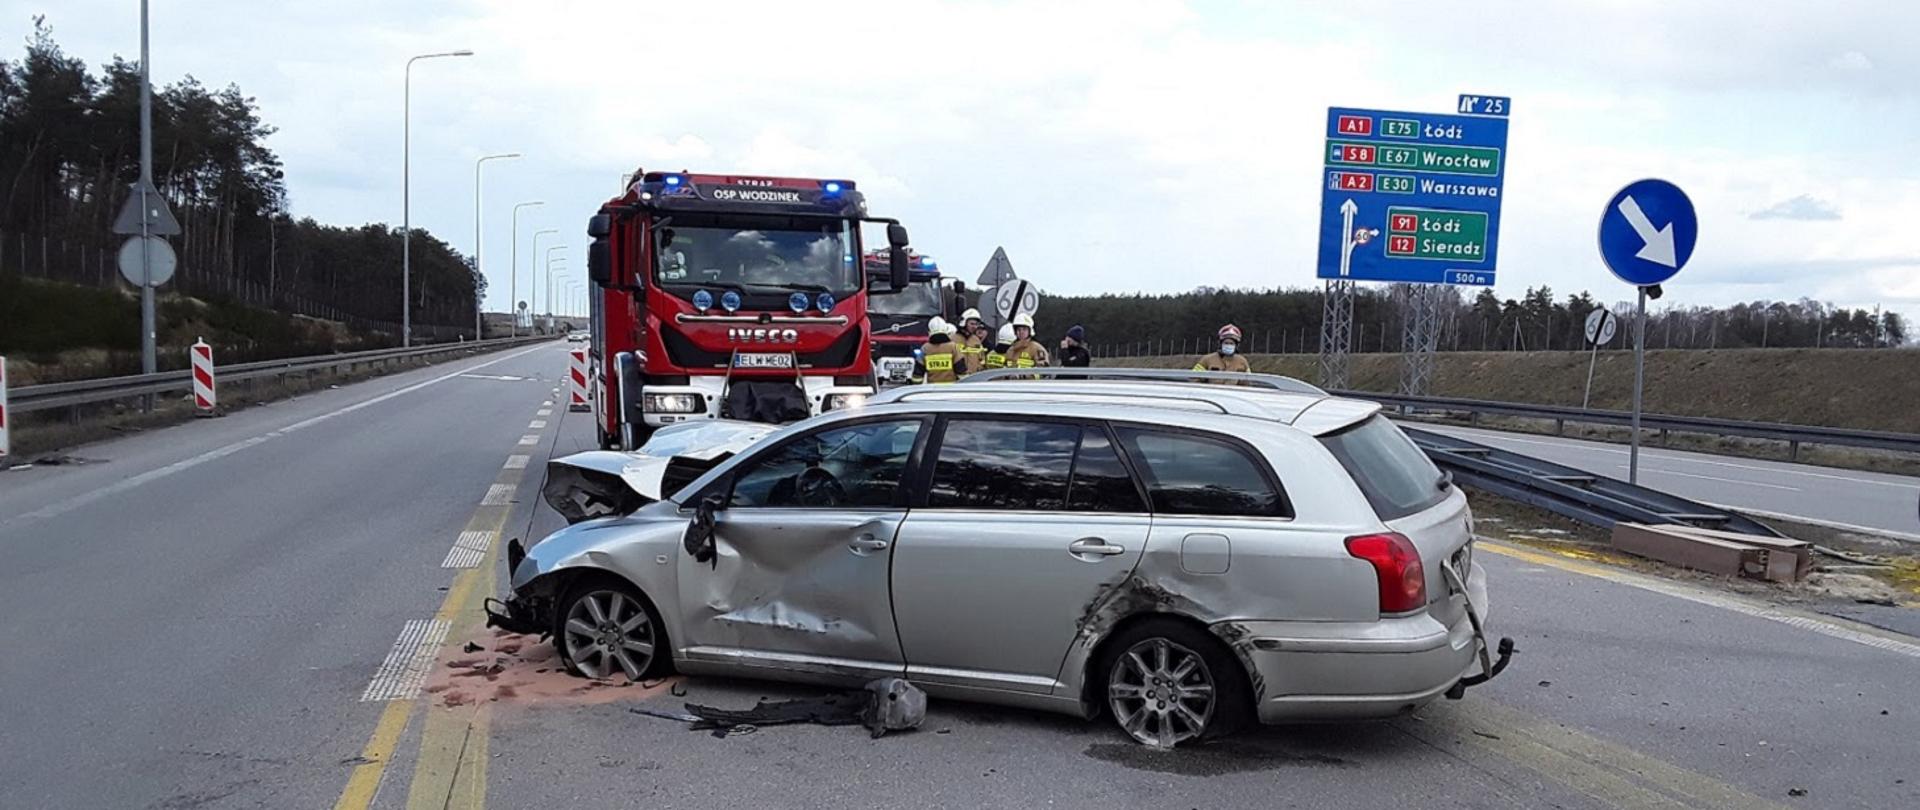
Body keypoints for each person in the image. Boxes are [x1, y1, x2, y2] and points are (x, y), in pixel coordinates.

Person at [917, 316, 963, 384]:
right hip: (951, 389)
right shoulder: (953, 347)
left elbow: (917, 375)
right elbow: (961, 371)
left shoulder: (925, 348)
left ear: (929, 331)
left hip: (932, 390)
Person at [956, 307, 989, 375]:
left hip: (974, 379)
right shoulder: (953, 339)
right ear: (964, 323)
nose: (974, 327)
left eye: (976, 324)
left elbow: (982, 360)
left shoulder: (976, 340)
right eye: (972, 324)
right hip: (957, 381)